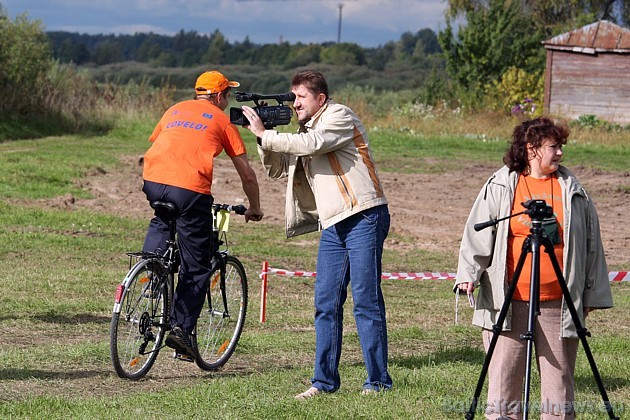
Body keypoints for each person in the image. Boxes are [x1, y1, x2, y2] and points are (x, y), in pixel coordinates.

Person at [242, 70, 392, 398]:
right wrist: (261, 136)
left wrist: (267, 135)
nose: (294, 103)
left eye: (300, 97)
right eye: (292, 97)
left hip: (364, 215)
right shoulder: (303, 128)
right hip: (334, 223)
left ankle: (378, 382)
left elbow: (313, 145)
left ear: (320, 99)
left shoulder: (338, 116)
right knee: (325, 303)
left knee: (365, 301)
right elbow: (277, 168)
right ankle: (323, 383)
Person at [455, 117, 613, 419]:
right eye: (554, 147)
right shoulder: (502, 184)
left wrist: (591, 295)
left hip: (559, 302)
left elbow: (591, 245)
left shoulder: (572, 190)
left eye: (561, 147)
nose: (560, 153)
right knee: (504, 380)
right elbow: (477, 234)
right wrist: (469, 274)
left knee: (560, 384)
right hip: (509, 300)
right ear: (532, 149)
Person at [142, 70, 264, 358]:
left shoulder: (175, 109)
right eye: (228, 95)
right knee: (196, 265)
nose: (228, 100)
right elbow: (246, 174)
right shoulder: (222, 120)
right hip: (189, 190)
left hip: (153, 181)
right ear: (219, 96)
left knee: (162, 219)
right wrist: (255, 207)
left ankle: (151, 270)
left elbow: (162, 140)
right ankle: (181, 330)